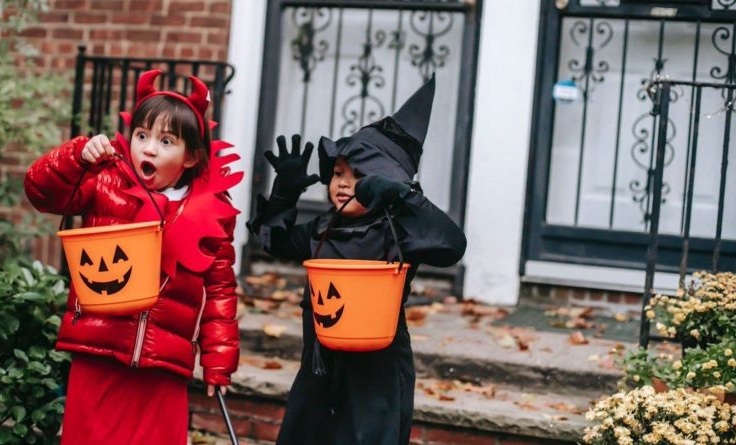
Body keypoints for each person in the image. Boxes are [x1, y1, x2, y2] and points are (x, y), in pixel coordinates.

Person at [24, 69, 243, 445]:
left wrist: (219, 360)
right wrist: (77, 156)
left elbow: (221, 291)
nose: (149, 148)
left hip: (163, 366)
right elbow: (42, 192)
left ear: (190, 157)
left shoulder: (211, 214)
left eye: (166, 141)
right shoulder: (106, 181)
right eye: (142, 136)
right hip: (99, 349)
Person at [248, 75, 466, 445]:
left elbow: (451, 245)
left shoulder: (398, 231)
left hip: (375, 379)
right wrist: (284, 194)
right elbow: (277, 241)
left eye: (359, 175)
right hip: (319, 371)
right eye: (337, 174)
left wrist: (403, 199)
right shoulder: (322, 229)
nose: (343, 183)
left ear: (385, 181)